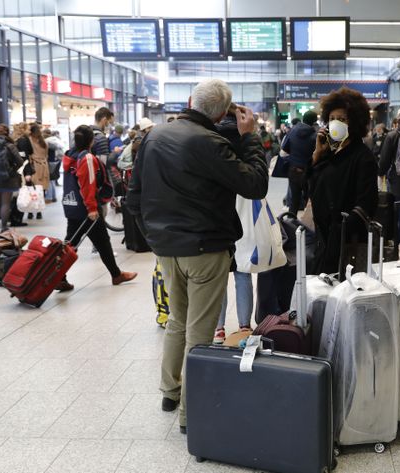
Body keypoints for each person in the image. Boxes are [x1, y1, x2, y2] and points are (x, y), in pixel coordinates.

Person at [125, 79, 268, 433]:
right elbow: (255, 184)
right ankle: (193, 413)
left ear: (190, 101)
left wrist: (155, 239)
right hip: (205, 248)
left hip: (167, 249)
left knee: (177, 319)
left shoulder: (155, 136)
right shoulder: (211, 142)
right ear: (223, 113)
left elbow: (134, 196)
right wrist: (250, 137)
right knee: (200, 333)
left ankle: (170, 391)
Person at [56, 125, 137, 293]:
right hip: (87, 210)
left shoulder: (69, 156)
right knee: (73, 245)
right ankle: (55, 277)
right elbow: (88, 185)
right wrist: (92, 209)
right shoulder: (87, 159)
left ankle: (115, 274)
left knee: (93, 241)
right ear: (91, 141)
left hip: (73, 206)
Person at [308, 86, 378, 274]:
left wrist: (341, 229)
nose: (335, 123)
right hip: (323, 237)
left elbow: (367, 202)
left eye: (342, 119)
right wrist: (316, 156)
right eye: (331, 119)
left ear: (354, 122)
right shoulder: (328, 153)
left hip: (345, 242)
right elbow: (309, 187)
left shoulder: (363, 157)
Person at [212, 104, 255, 344]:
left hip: (219, 209)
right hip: (245, 207)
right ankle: (244, 327)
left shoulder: (210, 138)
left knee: (218, 272)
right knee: (242, 271)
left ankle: (218, 329)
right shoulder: (245, 137)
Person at [281, 110, 317, 215]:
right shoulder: (315, 135)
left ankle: (291, 224)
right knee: (309, 201)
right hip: (308, 173)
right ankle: (306, 227)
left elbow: (284, 149)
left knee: (294, 201)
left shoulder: (292, 130)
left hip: (293, 170)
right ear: (314, 122)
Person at [25, 123, 50, 220]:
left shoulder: (29, 141)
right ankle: (39, 212)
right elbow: (46, 155)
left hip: (34, 167)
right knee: (41, 190)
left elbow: (28, 154)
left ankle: (30, 212)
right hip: (43, 166)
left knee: (31, 189)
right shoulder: (44, 142)